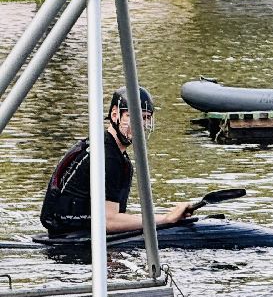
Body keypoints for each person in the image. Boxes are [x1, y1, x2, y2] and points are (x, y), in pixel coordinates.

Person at [40, 87, 193, 238]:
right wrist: (166, 218)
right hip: (72, 238)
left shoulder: (113, 152)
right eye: (133, 116)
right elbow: (109, 221)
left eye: (145, 117)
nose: (141, 124)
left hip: (76, 232)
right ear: (115, 115)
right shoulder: (108, 156)